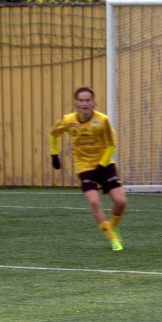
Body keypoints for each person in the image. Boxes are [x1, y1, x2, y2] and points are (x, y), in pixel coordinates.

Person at [49, 86, 127, 251]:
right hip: (84, 167)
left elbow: (112, 144)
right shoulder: (68, 120)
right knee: (93, 201)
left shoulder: (102, 120)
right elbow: (53, 134)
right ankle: (112, 239)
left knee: (120, 201)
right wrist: (54, 154)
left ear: (94, 103)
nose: (85, 103)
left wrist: (102, 164)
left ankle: (113, 226)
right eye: (81, 100)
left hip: (104, 165)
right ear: (76, 103)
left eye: (88, 100)